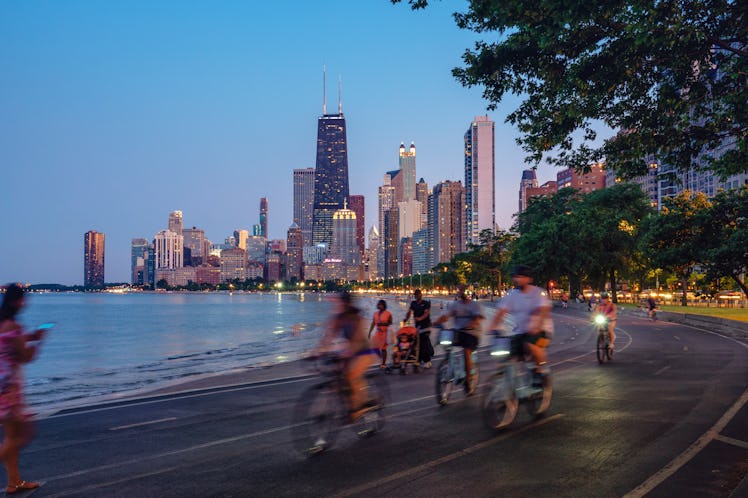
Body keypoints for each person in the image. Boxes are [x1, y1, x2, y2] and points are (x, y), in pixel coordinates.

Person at [0, 284, 46, 495]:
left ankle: (14, 483)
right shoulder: (14, 326)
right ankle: (14, 482)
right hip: (9, 388)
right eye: (22, 299)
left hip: (3, 385)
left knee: (11, 437)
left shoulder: (4, 324)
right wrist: (39, 343)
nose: (24, 303)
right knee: (23, 435)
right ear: (15, 301)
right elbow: (26, 358)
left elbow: (8, 342)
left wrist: (30, 337)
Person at [316, 291, 378, 421]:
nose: (340, 306)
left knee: (351, 376)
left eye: (343, 303)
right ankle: (350, 402)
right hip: (350, 352)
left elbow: (357, 340)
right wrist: (316, 352)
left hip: (364, 352)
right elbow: (327, 337)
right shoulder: (338, 319)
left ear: (348, 304)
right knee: (340, 379)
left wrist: (345, 353)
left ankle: (358, 408)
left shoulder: (356, 318)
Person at [488, 265, 553, 379]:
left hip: (542, 332)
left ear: (529, 279)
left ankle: (542, 369)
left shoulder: (538, 293)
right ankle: (513, 386)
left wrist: (537, 326)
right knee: (508, 355)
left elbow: (543, 310)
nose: (519, 279)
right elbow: (500, 311)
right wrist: (492, 326)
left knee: (530, 344)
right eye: (517, 277)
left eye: (522, 277)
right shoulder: (512, 294)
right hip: (520, 332)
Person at [433, 285, 484, 395]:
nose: (461, 293)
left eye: (463, 291)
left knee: (466, 351)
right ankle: (449, 366)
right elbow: (446, 316)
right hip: (458, 332)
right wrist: (435, 323)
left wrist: (472, 324)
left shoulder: (474, 305)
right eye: (460, 291)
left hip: (472, 333)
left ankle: (468, 381)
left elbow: (477, 318)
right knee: (445, 344)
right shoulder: (455, 305)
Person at [403, 289, 433, 368]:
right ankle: (418, 360)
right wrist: (406, 319)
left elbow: (426, 313)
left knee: (423, 343)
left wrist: (420, 318)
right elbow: (409, 312)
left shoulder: (425, 303)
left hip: (426, 326)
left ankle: (427, 361)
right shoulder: (413, 303)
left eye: (418, 294)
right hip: (417, 327)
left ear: (421, 295)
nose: (417, 296)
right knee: (416, 343)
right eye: (415, 295)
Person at [367, 300, 392, 369]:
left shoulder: (388, 314)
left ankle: (383, 364)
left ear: (384, 305)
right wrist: (369, 332)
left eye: (380, 305)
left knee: (383, 349)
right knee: (373, 346)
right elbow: (373, 323)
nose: (379, 306)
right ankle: (380, 359)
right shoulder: (375, 313)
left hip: (385, 333)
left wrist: (382, 324)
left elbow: (390, 323)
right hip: (377, 332)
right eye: (378, 304)